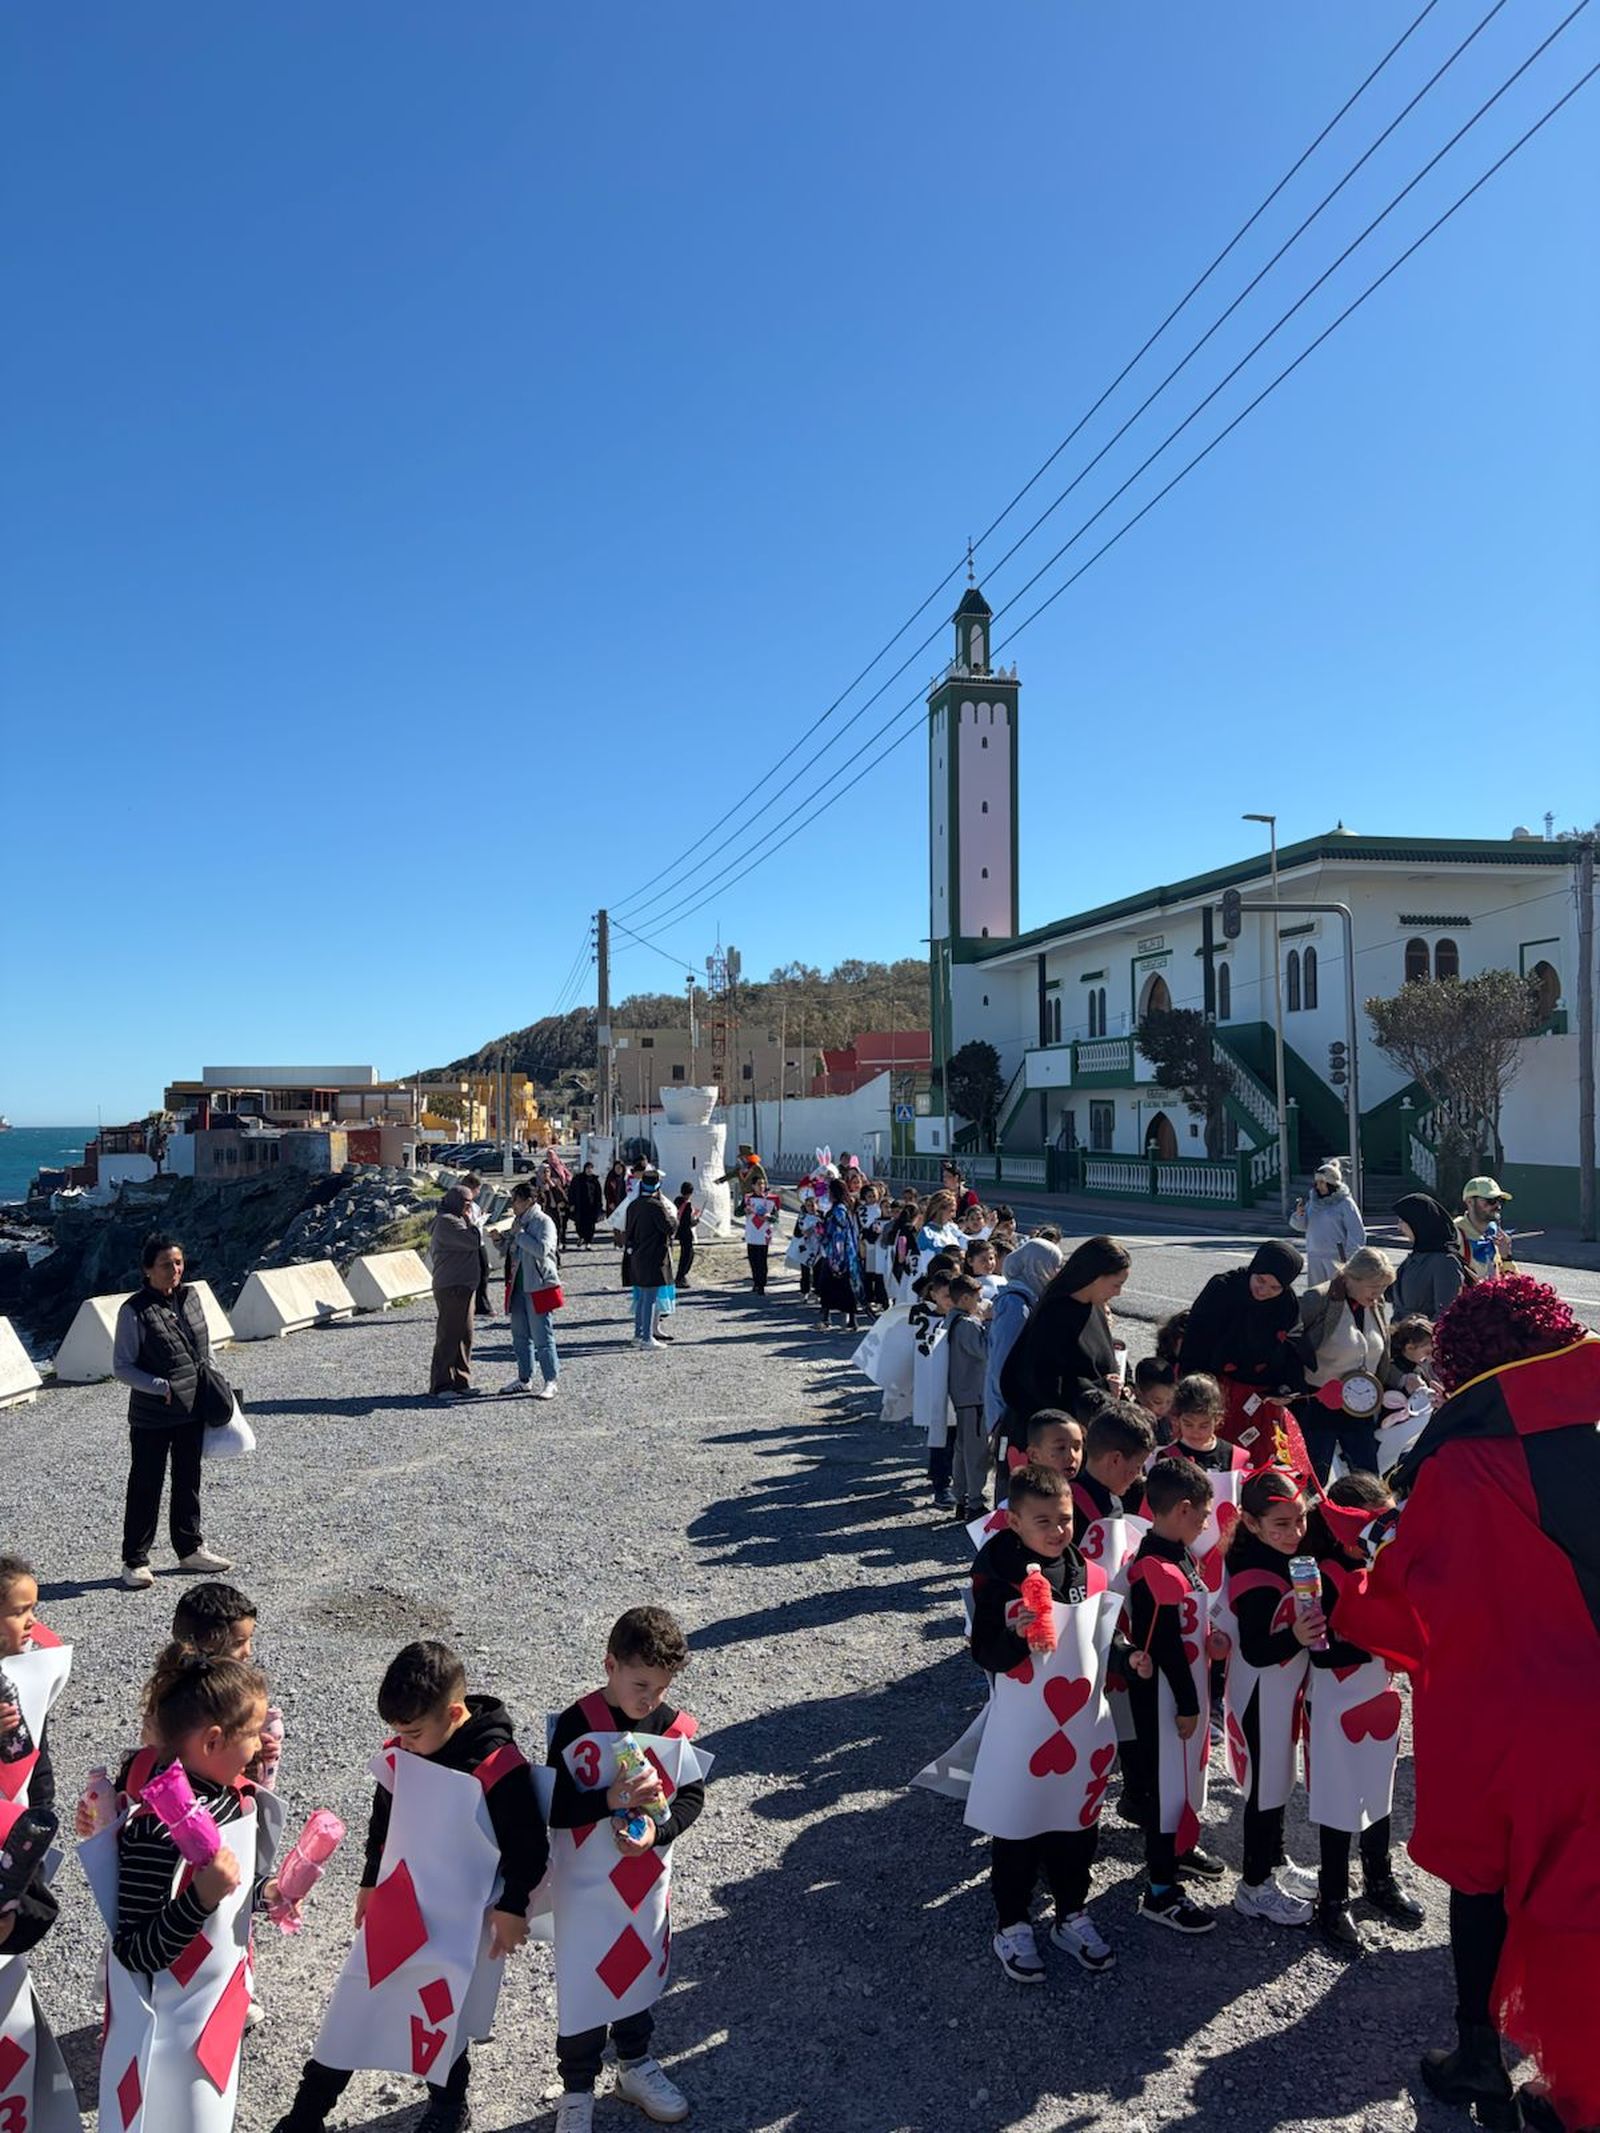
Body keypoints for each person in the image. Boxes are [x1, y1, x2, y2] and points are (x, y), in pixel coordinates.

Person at [1338, 1277, 1600, 2132]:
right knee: (1582, 1889)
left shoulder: (1456, 1460)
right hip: (1591, 1699)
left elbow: (1406, 1588)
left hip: (1496, 1709)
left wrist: (1346, 1593)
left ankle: (1481, 2053)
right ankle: (1570, 2084)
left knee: (1483, 1878)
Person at [274, 1640, 546, 2133]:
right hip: (399, 1903)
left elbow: (529, 1846)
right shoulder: (405, 1748)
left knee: (440, 2013)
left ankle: (447, 2107)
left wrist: (514, 1906)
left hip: (459, 1917)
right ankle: (307, 2114)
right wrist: (370, 1880)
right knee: (355, 2003)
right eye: (396, 1733)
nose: (402, 1742)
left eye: (414, 1733)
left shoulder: (497, 1766)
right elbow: (385, 1818)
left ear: (455, 1713)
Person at [101, 1644, 285, 2133]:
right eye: (252, 1734)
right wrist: (200, 1898)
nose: (260, 1746)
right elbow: (134, 1950)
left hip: (218, 2011)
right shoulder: (155, 1831)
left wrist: (267, 1893)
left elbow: (232, 1883)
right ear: (212, 1741)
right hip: (172, 2039)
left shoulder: (227, 1796)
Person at [547, 1608, 705, 2133]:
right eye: (640, 1684)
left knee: (637, 1974)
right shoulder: (578, 1724)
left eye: (661, 1688)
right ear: (609, 1665)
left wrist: (658, 1832)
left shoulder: (672, 1727)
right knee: (584, 1981)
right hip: (586, 1890)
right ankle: (576, 2090)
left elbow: (691, 1798)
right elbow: (554, 1807)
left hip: (643, 1887)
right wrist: (607, 1799)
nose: (650, 1700)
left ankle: (634, 2065)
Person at [966, 1464, 1120, 1983]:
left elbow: (1100, 1642)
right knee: (1019, 1825)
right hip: (1025, 1727)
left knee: (1076, 1825)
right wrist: (1015, 1637)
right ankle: (1011, 1922)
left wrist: (1127, 1658)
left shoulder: (1087, 1572)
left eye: (1066, 1519)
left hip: (1079, 1726)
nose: (1058, 1531)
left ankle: (1071, 1912)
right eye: (1044, 1522)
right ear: (1013, 1522)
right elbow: (983, 1652)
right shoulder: (998, 1576)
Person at [1300, 1472, 1425, 1955]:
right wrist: (1375, 1643)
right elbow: (1319, 1651)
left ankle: (1379, 1878)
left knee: (1380, 1788)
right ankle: (1332, 1897)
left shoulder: (1383, 1567)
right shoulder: (1317, 1573)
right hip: (1335, 1699)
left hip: (1378, 1698)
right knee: (1337, 1800)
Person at [1124, 1457, 1224, 1935]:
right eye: (1204, 1514)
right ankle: (1160, 1891)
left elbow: (1188, 1622)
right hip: (1167, 1696)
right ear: (1183, 1510)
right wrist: (1187, 1703)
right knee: (1166, 1790)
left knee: (1185, 1782)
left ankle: (1179, 1852)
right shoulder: (1153, 1566)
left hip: (1189, 1688)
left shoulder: (1180, 1552)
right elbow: (1162, 1643)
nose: (1207, 1522)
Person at [1220, 1468, 1320, 1928]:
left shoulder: (1284, 1555)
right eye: (1281, 1524)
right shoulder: (1255, 1572)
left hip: (1281, 1694)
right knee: (1263, 1789)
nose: (1295, 1532)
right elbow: (1258, 1650)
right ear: (1252, 1522)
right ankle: (1253, 1886)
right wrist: (1299, 1636)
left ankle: (1275, 1860)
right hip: (1260, 1692)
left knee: (1278, 1781)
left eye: (1299, 1520)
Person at [112, 1233, 232, 1590]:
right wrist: (159, 1387)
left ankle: (190, 1548)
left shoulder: (191, 1297)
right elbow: (122, 1366)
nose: (175, 1270)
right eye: (166, 1264)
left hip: (192, 1407)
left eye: (178, 1263)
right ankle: (135, 1561)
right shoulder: (134, 1310)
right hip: (153, 1415)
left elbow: (203, 1347)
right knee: (146, 1485)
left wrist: (214, 1381)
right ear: (147, 1270)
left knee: (188, 1480)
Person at [1291, 1245, 1414, 1483]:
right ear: (1351, 1277)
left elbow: (1380, 1355)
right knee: (1313, 1478)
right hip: (1319, 1404)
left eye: (1383, 1288)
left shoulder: (1374, 1305)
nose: (1379, 1295)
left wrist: (1403, 1378)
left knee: (1367, 1478)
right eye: (1374, 1287)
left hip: (1361, 1405)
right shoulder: (1318, 1299)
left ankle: (1364, 1520)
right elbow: (1293, 1345)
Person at [1179, 1240, 1307, 1469]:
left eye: (1274, 1288)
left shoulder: (1286, 1303)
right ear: (1253, 1268)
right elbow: (1195, 1341)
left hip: (1260, 1398)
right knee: (1214, 1455)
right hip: (1217, 1391)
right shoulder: (1223, 1289)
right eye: (1260, 1280)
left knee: (1257, 1461)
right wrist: (1191, 1392)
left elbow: (1293, 1346)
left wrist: (1287, 1387)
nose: (1264, 1290)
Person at [999, 1236, 1131, 1427]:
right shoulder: (1053, 1315)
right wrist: (1100, 1389)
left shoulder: (1094, 1307)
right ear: (1094, 1277)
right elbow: (1043, 1382)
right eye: (1116, 1284)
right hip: (1060, 1435)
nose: (1118, 1293)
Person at [983, 1237, 1065, 1465]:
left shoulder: (1031, 1297)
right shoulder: (1016, 1305)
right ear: (1037, 1266)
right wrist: (1003, 1417)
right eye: (1053, 1265)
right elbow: (1002, 1364)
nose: (1056, 1272)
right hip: (1009, 1411)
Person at [504, 1181, 560, 1399]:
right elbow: (511, 1249)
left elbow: (543, 1249)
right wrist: (502, 1240)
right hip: (517, 1284)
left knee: (542, 1336)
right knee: (519, 1335)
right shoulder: (518, 1222)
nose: (513, 1205)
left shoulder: (544, 1222)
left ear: (529, 1201)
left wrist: (519, 1235)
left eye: (516, 1200)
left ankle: (551, 1380)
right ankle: (524, 1378)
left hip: (538, 1285)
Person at [427, 1186, 482, 1401]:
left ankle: (461, 1380)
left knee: (464, 1335)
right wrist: (475, 1223)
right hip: (452, 1286)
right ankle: (441, 1384)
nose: (469, 1208)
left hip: (464, 1285)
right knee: (449, 1335)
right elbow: (472, 1241)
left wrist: (470, 1221)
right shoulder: (446, 1221)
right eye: (466, 1203)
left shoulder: (458, 1218)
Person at [911, 1267, 957, 1510]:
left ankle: (952, 1478)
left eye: (954, 1296)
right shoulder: (922, 1318)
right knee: (940, 1435)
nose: (951, 1301)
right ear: (934, 1294)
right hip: (935, 1387)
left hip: (961, 1387)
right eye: (946, 1296)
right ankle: (942, 1484)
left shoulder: (963, 1318)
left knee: (956, 1437)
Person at [945, 1275, 990, 1520]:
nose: (981, 1302)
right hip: (974, 1396)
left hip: (960, 1394)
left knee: (962, 1451)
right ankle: (975, 1502)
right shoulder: (968, 1325)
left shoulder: (951, 1320)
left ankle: (961, 1497)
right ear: (965, 1299)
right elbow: (986, 1351)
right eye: (977, 1298)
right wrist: (989, 1322)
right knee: (976, 1452)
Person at [1392, 1190, 1467, 1319]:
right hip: (1401, 1336)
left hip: (1421, 1338)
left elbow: (1446, 1315)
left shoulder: (1444, 1262)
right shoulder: (1415, 1257)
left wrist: (1422, 1337)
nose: (1399, 1226)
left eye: (1402, 1221)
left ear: (1418, 1223)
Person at [1291, 1159, 1366, 1284]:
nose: (1318, 1186)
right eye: (1317, 1182)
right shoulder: (1313, 1202)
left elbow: (1356, 1232)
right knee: (1316, 1296)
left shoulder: (1345, 1203)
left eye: (1322, 1182)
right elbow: (1302, 1226)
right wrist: (1299, 1215)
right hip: (1314, 1255)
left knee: (1337, 1297)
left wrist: (1349, 1258)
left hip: (1336, 1258)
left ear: (1331, 1183)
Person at [623, 1171, 676, 1349]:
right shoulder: (656, 1206)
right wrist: (674, 1218)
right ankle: (647, 1337)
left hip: (636, 1255)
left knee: (641, 1298)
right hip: (653, 1256)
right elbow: (668, 1228)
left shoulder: (633, 1205)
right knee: (650, 1298)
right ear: (657, 1187)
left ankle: (638, 1334)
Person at [815, 1177, 865, 1333]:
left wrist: (835, 1257)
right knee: (842, 1287)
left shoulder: (838, 1211)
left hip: (837, 1255)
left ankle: (830, 1318)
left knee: (830, 1285)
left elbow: (838, 1235)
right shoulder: (843, 1208)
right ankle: (845, 1319)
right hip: (846, 1254)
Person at [1455, 1176, 1519, 1284]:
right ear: (1470, 1202)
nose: (1498, 1206)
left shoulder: (1494, 1233)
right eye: (1491, 1200)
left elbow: (1514, 1286)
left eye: (1500, 1201)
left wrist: (1506, 1257)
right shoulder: (1455, 1234)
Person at [742, 1179, 781, 1295]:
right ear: (753, 1186)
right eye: (759, 1184)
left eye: (763, 1184)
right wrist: (745, 1210)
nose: (761, 1186)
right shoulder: (748, 1199)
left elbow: (776, 1218)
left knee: (762, 1260)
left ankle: (762, 1284)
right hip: (752, 1233)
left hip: (764, 1234)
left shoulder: (770, 1200)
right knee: (753, 1259)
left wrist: (768, 1217)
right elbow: (737, 1212)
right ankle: (756, 1282)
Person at [1132, 1357, 1177, 1438]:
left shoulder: (1171, 1424)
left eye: (1169, 1401)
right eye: (1157, 1402)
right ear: (1138, 1393)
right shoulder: (1129, 1426)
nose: (1164, 1408)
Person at [569, 1160, 604, 1249]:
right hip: (579, 1206)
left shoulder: (595, 1180)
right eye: (587, 1168)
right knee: (579, 1224)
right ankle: (581, 1237)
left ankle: (588, 1242)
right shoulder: (577, 1179)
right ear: (584, 1169)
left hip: (591, 1207)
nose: (589, 1170)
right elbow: (571, 1191)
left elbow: (598, 1194)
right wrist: (571, 1203)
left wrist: (599, 1206)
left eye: (590, 1169)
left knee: (590, 1225)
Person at [672, 1181, 699, 1291]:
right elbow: (688, 1222)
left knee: (686, 1254)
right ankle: (680, 1277)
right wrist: (696, 1221)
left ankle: (681, 1276)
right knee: (687, 1255)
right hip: (686, 1233)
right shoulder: (687, 1205)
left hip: (679, 1231)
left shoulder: (677, 1201)